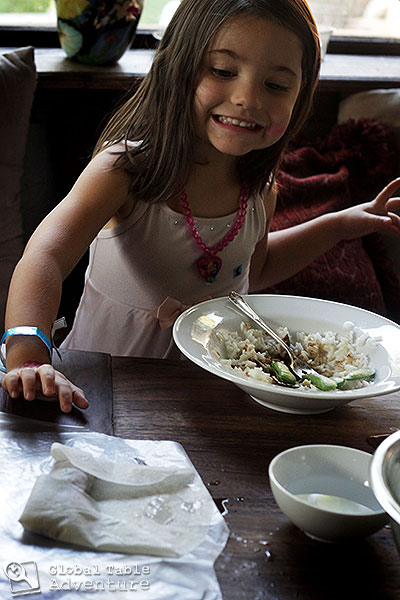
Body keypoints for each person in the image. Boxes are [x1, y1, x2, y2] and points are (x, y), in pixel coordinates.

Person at [1, 0, 399, 413]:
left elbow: (255, 269)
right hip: (105, 392)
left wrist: (336, 226)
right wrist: (29, 358)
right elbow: (45, 256)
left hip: (211, 402)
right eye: (223, 71)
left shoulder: (260, 191)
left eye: (276, 85)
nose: (248, 98)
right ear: (177, 69)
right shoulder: (125, 171)